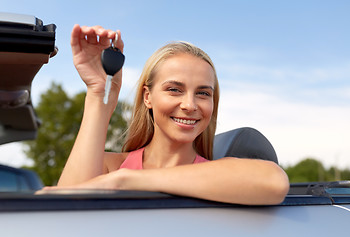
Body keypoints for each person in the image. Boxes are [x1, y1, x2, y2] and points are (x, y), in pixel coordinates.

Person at [53, 24, 289, 205]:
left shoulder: (220, 176)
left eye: (203, 93)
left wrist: (126, 181)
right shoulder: (108, 166)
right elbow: (62, 217)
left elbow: (275, 182)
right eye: (174, 89)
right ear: (148, 97)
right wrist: (98, 95)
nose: (189, 104)